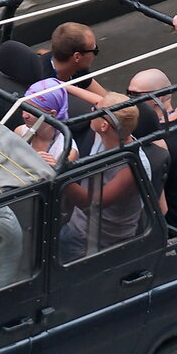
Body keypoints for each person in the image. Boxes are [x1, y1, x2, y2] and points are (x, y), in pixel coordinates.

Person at [127, 15, 177, 223]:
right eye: (128, 93)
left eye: (136, 95)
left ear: (161, 96)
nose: (128, 100)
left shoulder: (148, 136)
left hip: (175, 220)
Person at [58, 92, 154, 260]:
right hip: (78, 227)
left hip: (97, 242)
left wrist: (55, 174)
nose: (91, 110)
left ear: (104, 125)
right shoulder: (107, 134)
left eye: (95, 110)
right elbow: (102, 103)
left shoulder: (131, 166)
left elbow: (91, 203)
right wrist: (62, 85)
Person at [0, 21, 106, 121]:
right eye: (94, 50)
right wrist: (61, 85)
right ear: (77, 57)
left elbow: (105, 98)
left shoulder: (77, 68)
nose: (95, 54)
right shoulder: (44, 84)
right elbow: (105, 104)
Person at [13, 79, 79, 167]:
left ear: (52, 114)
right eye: (24, 107)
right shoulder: (20, 131)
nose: (24, 115)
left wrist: (54, 169)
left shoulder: (66, 151)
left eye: (32, 111)